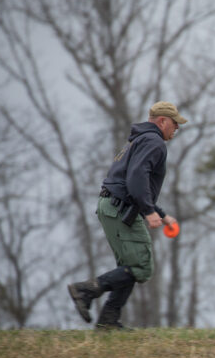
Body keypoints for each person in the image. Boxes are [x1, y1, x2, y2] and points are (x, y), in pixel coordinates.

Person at [67, 101, 186, 329]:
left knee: (129, 266)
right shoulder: (154, 142)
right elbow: (136, 178)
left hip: (111, 205)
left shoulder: (140, 139)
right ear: (162, 121)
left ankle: (108, 322)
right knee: (142, 266)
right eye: (175, 123)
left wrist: (161, 213)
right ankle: (85, 291)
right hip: (119, 207)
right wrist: (149, 211)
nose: (177, 128)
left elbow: (134, 182)